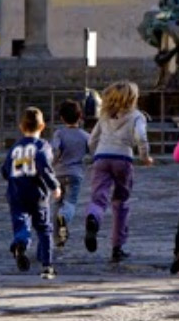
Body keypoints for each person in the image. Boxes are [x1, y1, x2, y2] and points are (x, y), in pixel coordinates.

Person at [85, 81, 153, 263]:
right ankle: (117, 246)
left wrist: (94, 154)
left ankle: (93, 218)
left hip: (102, 156)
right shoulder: (137, 116)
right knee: (121, 202)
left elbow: (92, 139)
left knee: (98, 197)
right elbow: (141, 136)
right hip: (123, 158)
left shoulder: (105, 116)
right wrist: (144, 156)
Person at [2, 107, 61, 279]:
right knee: (44, 229)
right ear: (42, 126)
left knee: (20, 222)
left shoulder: (15, 147)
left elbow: (5, 170)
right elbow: (45, 167)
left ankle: (20, 242)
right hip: (37, 193)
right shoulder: (42, 146)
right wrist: (54, 186)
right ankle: (47, 264)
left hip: (16, 193)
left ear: (21, 127)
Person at [51, 99, 91, 248]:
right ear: (80, 116)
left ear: (61, 118)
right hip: (76, 173)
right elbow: (92, 151)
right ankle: (65, 218)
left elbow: (55, 150)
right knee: (70, 202)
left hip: (58, 173)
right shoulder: (85, 136)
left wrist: (52, 164)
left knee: (56, 203)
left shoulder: (59, 133)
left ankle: (58, 236)